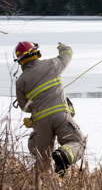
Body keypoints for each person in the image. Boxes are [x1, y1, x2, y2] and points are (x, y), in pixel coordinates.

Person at [14, 41, 85, 176]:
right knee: (78, 142)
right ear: (36, 52)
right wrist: (63, 46)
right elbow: (67, 54)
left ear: (20, 61)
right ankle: (62, 156)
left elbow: (24, 107)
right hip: (61, 117)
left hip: (40, 123)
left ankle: (44, 183)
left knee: (42, 162)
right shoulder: (52, 64)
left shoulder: (21, 81)